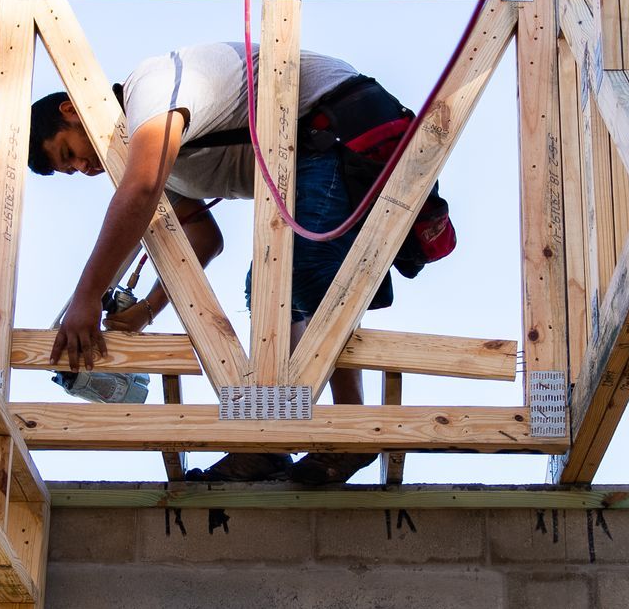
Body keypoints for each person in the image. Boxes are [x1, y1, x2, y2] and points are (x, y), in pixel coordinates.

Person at [28, 42, 414, 484]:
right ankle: (270, 444)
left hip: (335, 125)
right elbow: (204, 238)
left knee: (297, 276)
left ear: (71, 111)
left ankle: (341, 433)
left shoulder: (150, 91)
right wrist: (145, 312)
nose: (84, 166)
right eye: (72, 169)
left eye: (69, 152)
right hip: (312, 150)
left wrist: (87, 297)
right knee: (267, 287)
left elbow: (138, 193)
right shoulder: (155, 157)